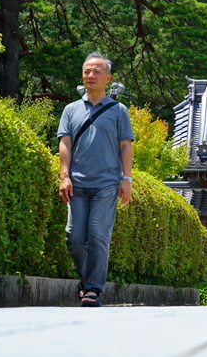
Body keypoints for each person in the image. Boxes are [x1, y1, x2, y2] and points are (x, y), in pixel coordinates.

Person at [58, 52, 134, 308]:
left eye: (97, 72)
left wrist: (126, 179)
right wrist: (64, 176)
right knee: (74, 237)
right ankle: (87, 278)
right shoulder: (70, 110)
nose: (91, 75)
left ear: (108, 78)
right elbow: (65, 143)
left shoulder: (118, 110)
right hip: (77, 183)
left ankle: (93, 289)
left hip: (107, 183)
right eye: (87, 71)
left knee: (98, 235)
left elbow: (125, 146)